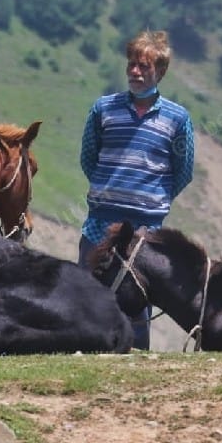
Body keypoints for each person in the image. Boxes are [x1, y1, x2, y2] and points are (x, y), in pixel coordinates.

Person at [77, 29, 195, 349]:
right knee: (87, 298)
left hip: (145, 232)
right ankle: (80, 355)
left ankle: (135, 363)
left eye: (144, 66)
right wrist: (110, 188)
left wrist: (151, 200)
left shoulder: (177, 119)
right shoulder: (104, 109)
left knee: (136, 303)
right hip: (100, 225)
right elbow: (89, 158)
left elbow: (182, 172)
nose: (135, 71)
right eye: (131, 64)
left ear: (160, 71)